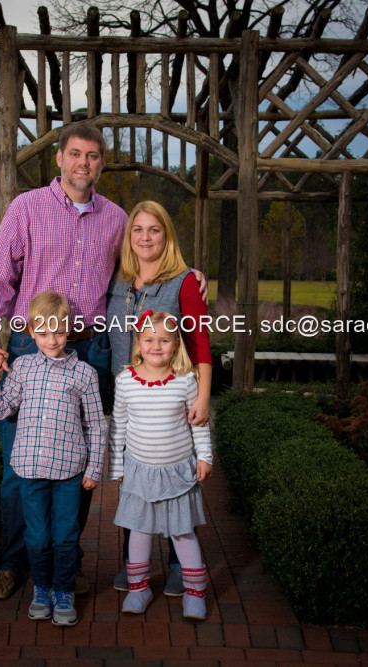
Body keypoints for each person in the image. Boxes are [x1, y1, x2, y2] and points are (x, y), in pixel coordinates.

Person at [0, 122, 125, 600]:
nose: (84, 163)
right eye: (76, 154)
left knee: (76, 463)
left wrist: (191, 274)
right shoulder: (27, 208)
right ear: (59, 158)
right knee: (21, 465)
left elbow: (149, 263)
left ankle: (64, 561)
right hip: (27, 349)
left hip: (90, 353)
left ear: (102, 162)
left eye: (93, 155)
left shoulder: (117, 219)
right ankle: (13, 562)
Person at [0, 290, 106, 627]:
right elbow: (4, 410)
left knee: (64, 535)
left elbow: (95, 424)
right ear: (31, 332)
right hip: (31, 471)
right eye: (44, 332)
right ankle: (43, 588)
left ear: (69, 330)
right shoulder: (21, 368)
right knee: (36, 537)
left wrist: (94, 468)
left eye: (59, 331)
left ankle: (63, 590)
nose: (52, 340)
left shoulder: (85, 375)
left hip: (69, 473)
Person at [106, 200, 212, 595]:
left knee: (176, 481)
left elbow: (200, 343)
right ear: (128, 237)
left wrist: (202, 396)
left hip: (172, 399)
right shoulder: (117, 281)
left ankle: (179, 566)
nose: (145, 237)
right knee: (136, 482)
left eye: (154, 229)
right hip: (131, 395)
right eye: (137, 229)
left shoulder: (183, 281)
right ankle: (135, 566)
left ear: (166, 235)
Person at [108, 311, 212, 620]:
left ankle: (195, 594)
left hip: (178, 472)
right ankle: (139, 589)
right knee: (139, 531)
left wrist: (204, 456)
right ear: (138, 343)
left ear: (176, 344)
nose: (157, 346)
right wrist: (117, 468)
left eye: (165, 340)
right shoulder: (125, 381)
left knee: (182, 533)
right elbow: (119, 427)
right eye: (149, 340)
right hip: (139, 472)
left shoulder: (185, 381)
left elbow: (199, 424)